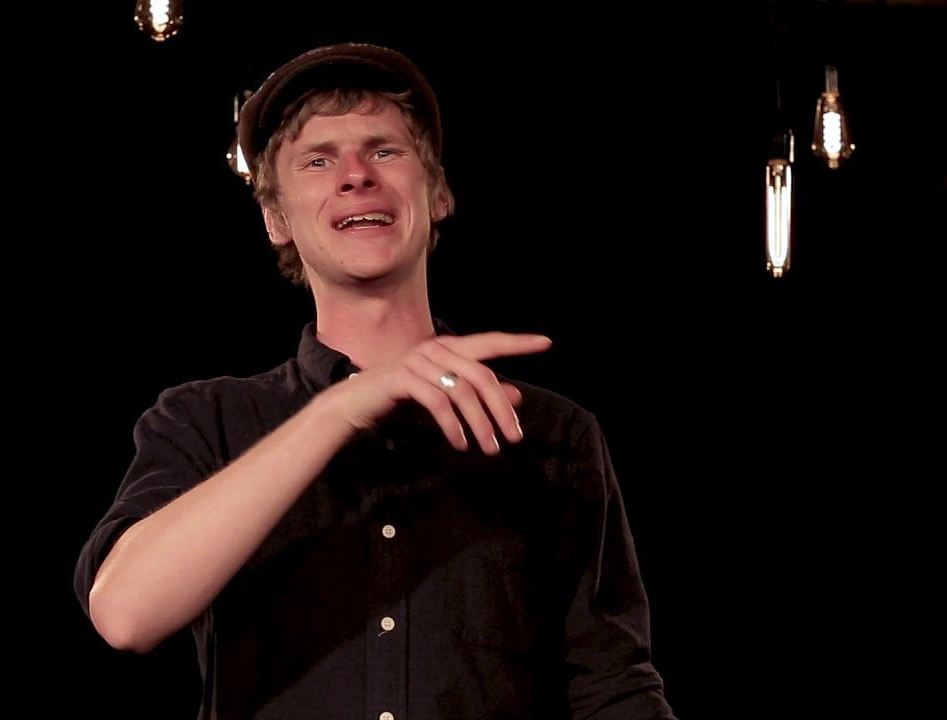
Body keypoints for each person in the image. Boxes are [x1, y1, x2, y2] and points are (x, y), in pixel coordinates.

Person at [74, 42, 675, 719]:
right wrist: (343, 407)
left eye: (385, 151)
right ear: (276, 219)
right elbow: (125, 613)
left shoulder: (551, 432)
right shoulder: (204, 418)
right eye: (319, 160)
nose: (356, 175)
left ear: (438, 193)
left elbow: (611, 686)